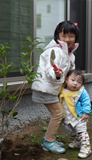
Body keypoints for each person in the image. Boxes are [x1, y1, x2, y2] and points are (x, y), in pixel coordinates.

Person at [31, 21, 80, 154]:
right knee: (58, 114)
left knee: (59, 114)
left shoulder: (70, 54)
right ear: (57, 36)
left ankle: (48, 139)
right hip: (45, 88)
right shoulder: (55, 50)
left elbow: (70, 73)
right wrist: (57, 74)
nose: (68, 39)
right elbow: (48, 69)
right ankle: (48, 141)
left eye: (71, 36)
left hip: (53, 89)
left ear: (76, 37)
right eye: (64, 36)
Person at [59, 69, 91, 158]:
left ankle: (86, 147)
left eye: (79, 82)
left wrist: (86, 112)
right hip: (68, 117)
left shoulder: (81, 92)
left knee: (81, 131)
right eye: (73, 80)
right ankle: (77, 141)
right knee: (70, 131)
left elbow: (86, 101)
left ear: (82, 84)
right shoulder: (62, 89)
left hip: (79, 116)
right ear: (66, 79)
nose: (75, 83)